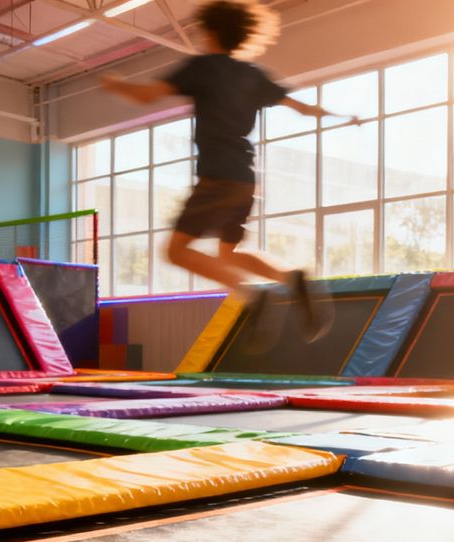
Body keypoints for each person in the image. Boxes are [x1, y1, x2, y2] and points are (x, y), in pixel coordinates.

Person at [100, 0, 356, 346]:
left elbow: (147, 96)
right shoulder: (252, 73)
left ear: (213, 31)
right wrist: (338, 115)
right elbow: (303, 108)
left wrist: (115, 84)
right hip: (245, 180)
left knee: (175, 252)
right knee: (228, 255)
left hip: (218, 177)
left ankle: (252, 295)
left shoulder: (204, 68)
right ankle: (291, 279)